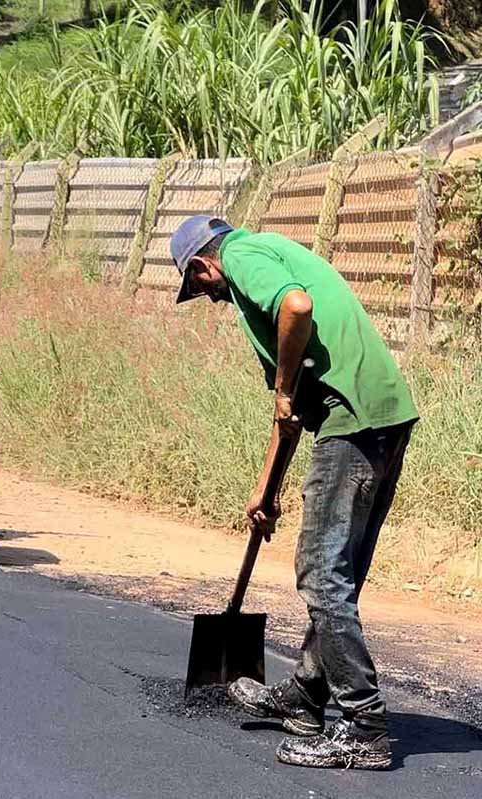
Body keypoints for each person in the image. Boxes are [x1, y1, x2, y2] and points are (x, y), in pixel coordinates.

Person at [170, 216, 419, 771]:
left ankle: (365, 727)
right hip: (383, 416)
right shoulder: (274, 249)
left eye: (200, 288)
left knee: (321, 572)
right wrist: (267, 490)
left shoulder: (242, 258)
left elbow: (297, 308)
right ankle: (307, 698)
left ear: (204, 266)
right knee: (341, 569)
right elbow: (288, 417)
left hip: (350, 423)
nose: (210, 300)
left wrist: (283, 386)